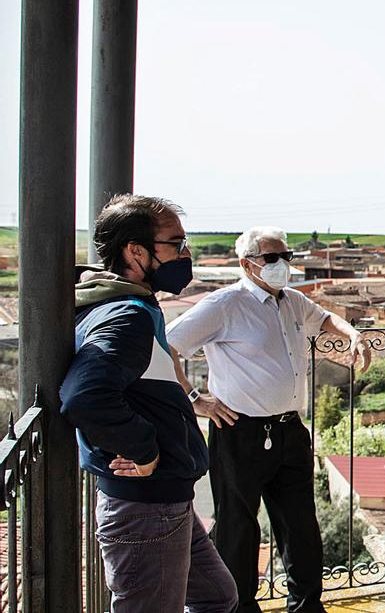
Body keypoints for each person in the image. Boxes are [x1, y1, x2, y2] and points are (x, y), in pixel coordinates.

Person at [166, 226, 371, 613]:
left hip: (291, 430)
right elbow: (167, 345)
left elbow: (325, 318)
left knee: (301, 526)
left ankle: (307, 606)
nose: (282, 266)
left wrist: (353, 334)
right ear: (247, 264)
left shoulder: (292, 301)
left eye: (285, 257)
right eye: (272, 259)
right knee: (239, 528)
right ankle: (240, 608)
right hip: (239, 431)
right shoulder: (224, 305)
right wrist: (197, 401)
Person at [61, 194, 238, 613]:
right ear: (135, 251)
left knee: (218, 596)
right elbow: (84, 395)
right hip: (145, 503)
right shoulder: (127, 315)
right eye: (175, 244)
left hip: (163, 498)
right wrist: (144, 450)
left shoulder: (133, 306)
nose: (186, 253)